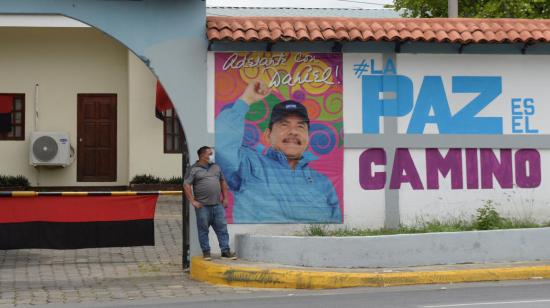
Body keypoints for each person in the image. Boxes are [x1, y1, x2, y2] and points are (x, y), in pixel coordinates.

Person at [215, 80, 342, 223]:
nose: (293, 131)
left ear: (308, 138)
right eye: (284, 125)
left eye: (300, 126)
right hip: (262, 246)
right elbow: (221, 148)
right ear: (268, 135)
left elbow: (334, 228)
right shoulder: (249, 165)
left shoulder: (322, 182)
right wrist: (246, 100)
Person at [183, 146, 236, 260]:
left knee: (222, 228)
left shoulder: (216, 167)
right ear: (202, 155)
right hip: (203, 206)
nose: (212, 156)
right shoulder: (193, 169)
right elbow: (186, 184)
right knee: (203, 230)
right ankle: (206, 252)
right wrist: (193, 201)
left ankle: (225, 251)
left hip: (217, 205)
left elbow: (222, 182)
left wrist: (225, 198)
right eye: (210, 153)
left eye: (212, 153)